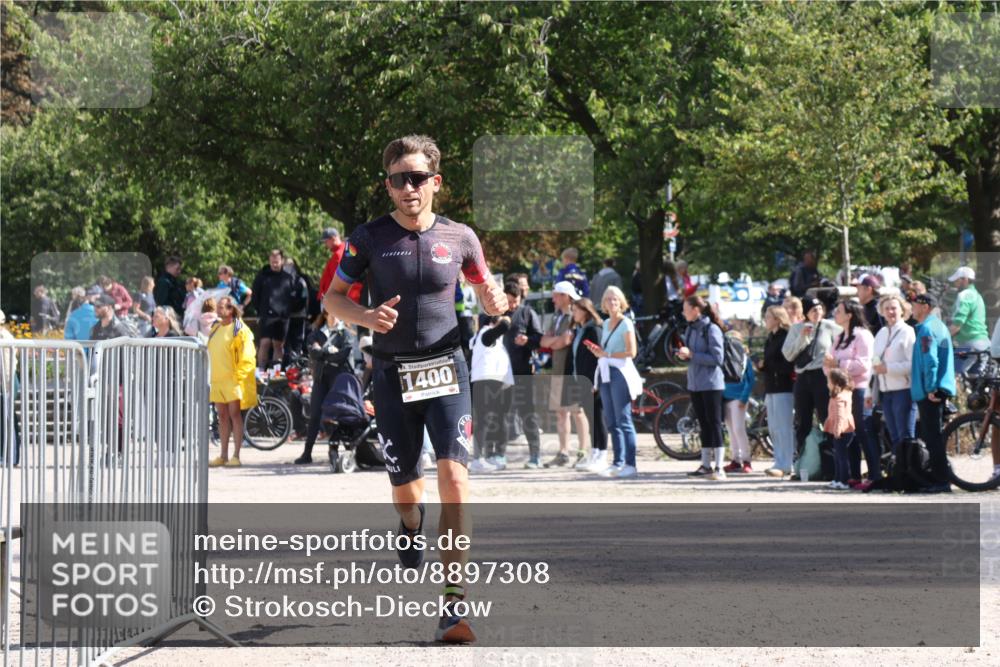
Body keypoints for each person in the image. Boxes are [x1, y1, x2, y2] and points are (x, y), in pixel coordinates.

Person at [322, 135, 507, 644]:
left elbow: (487, 291)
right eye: (400, 179)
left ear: (436, 183)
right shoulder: (368, 238)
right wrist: (365, 316)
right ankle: (409, 525)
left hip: (447, 368)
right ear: (388, 185)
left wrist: (494, 301)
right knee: (407, 492)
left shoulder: (461, 237)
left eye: (418, 178)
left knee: (455, 479)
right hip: (391, 373)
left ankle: (453, 604)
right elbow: (334, 298)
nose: (410, 187)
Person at [782, 297, 843, 480]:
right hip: (803, 377)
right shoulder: (796, 329)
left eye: (819, 309)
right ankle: (803, 467)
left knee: (827, 419)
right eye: (813, 310)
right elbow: (788, 354)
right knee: (802, 421)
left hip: (822, 376)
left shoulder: (830, 327)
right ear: (806, 313)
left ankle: (830, 467)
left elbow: (842, 345)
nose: (817, 313)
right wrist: (803, 337)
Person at [587, 286, 641, 478]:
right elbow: (606, 349)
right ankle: (618, 461)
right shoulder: (606, 323)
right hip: (605, 370)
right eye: (608, 299)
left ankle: (630, 463)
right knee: (611, 420)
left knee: (623, 419)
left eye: (615, 299)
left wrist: (607, 354)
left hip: (620, 371)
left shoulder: (626, 323)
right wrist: (600, 353)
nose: (611, 302)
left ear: (621, 302)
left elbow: (631, 352)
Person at [823, 300, 876, 489]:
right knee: (847, 432)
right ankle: (853, 475)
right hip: (840, 391)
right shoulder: (839, 337)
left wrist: (838, 365)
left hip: (859, 389)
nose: (835, 314)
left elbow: (863, 364)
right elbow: (827, 363)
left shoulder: (863, 336)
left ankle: (874, 475)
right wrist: (831, 369)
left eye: (839, 311)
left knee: (863, 431)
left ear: (850, 315)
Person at [294, 311, 356, 464]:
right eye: (331, 313)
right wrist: (328, 351)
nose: (334, 316)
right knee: (315, 415)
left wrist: (323, 353)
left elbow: (343, 355)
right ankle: (307, 453)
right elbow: (313, 353)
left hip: (339, 379)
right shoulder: (317, 333)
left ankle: (345, 451)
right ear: (326, 315)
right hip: (321, 378)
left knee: (340, 414)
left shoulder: (345, 334)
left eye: (337, 313)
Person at [910, 293, 956, 493]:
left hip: (931, 390)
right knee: (933, 435)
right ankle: (938, 478)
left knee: (933, 437)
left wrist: (930, 388)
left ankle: (941, 481)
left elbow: (931, 360)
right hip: (937, 387)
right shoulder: (938, 326)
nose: (912, 308)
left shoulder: (927, 329)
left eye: (914, 304)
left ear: (925, 306)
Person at [677, 295, 727, 480]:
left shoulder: (711, 329)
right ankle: (706, 465)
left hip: (712, 384)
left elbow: (717, 359)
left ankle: (719, 466)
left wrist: (692, 354)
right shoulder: (690, 329)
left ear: (696, 310)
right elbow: (693, 355)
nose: (683, 313)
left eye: (686, 309)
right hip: (695, 383)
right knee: (703, 424)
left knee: (714, 423)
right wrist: (684, 355)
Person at [207, 297, 257, 468]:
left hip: (232, 379)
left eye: (222, 307)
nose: (218, 310)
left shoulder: (239, 329)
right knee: (222, 417)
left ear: (231, 309)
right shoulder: (215, 328)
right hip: (217, 379)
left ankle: (236, 455)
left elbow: (248, 354)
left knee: (234, 415)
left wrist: (240, 376)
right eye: (218, 307)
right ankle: (223, 455)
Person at [502, 279, 544, 468]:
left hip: (522, 371)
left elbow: (539, 338)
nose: (512, 305)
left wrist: (527, 340)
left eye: (515, 300)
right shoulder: (497, 314)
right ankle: (498, 454)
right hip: (501, 372)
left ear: (520, 297)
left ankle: (535, 455)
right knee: (500, 414)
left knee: (527, 413)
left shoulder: (528, 313)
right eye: (509, 301)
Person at [541, 281, 583, 468]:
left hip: (570, 370)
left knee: (577, 412)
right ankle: (563, 452)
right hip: (557, 371)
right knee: (560, 413)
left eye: (556, 295)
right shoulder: (557, 317)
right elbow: (545, 341)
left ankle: (583, 451)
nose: (553, 298)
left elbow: (563, 342)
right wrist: (555, 341)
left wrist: (554, 341)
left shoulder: (574, 315)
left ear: (566, 296)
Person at [565, 297, 606, 472]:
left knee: (598, 417)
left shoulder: (593, 330)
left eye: (576, 310)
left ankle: (602, 454)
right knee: (591, 417)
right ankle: (595, 451)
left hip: (592, 380)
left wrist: (593, 381)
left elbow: (596, 360)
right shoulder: (580, 330)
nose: (573, 314)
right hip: (580, 379)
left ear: (585, 311)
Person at [872, 294, 916, 457]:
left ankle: (911, 474)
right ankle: (900, 473)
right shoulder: (882, 332)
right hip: (885, 392)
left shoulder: (907, 332)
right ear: (882, 312)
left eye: (894, 308)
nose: (890, 312)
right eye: (887, 308)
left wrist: (888, 368)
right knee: (894, 436)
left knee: (905, 436)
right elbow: (874, 357)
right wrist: (875, 366)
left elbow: (912, 364)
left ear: (902, 310)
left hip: (903, 390)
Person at [469, 313, 513, 473]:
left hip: (493, 382)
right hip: (486, 381)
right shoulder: (485, 334)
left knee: (494, 420)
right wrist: (506, 319)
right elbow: (505, 326)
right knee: (484, 421)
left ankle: (487, 456)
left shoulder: (488, 338)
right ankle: (478, 459)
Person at [758, 306, 796, 478]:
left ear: (777, 319)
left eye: (768, 317)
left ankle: (787, 463)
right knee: (773, 427)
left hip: (783, 387)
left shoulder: (785, 336)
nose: (765, 320)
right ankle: (778, 461)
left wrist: (767, 365)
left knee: (784, 427)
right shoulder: (770, 338)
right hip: (771, 387)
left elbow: (788, 364)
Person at [251, 249, 296, 370]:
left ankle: (276, 372)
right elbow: (255, 295)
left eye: (276, 261)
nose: (274, 264)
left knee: (278, 345)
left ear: (282, 261)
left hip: (282, 317)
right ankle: (261, 370)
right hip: (266, 315)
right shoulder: (262, 276)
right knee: (264, 343)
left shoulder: (288, 278)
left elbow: (293, 296)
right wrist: (260, 311)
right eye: (272, 262)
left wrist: (287, 311)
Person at [722, 332, 756, 474]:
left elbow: (750, 380)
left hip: (738, 398)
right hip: (725, 398)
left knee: (738, 429)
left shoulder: (743, 358)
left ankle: (746, 460)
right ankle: (736, 460)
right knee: (731, 430)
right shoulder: (724, 357)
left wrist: (744, 398)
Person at [947, 266, 991, 377]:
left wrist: (942, 337)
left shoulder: (964, 295)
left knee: (951, 376)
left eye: (957, 280)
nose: (955, 284)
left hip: (968, 345)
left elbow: (957, 324)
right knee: (976, 387)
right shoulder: (978, 296)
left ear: (965, 279)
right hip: (984, 345)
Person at [824, 368, 856, 490]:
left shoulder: (839, 398)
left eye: (829, 381)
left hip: (842, 431)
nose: (827, 384)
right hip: (844, 430)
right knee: (838, 455)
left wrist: (837, 431)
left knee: (841, 457)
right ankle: (837, 479)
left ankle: (844, 480)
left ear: (835, 383)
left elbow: (840, 416)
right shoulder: (845, 393)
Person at [317, 227, 363, 306]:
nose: (325, 245)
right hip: (339, 298)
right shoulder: (344, 250)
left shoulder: (339, 254)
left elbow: (340, 280)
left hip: (336, 299)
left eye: (326, 241)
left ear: (333, 238)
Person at [0, 309, 20, 467]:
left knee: (8, 420)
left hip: (7, 381)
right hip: (6, 381)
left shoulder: (3, 337)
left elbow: (7, 367)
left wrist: (6, 388)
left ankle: (11, 456)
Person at [283, 257, 313, 363]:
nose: (287, 267)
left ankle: (298, 364)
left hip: (299, 316)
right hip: (285, 317)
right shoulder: (281, 281)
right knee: (286, 344)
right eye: (285, 264)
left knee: (298, 342)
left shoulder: (300, 281)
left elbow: (305, 299)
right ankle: (286, 364)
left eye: (290, 265)